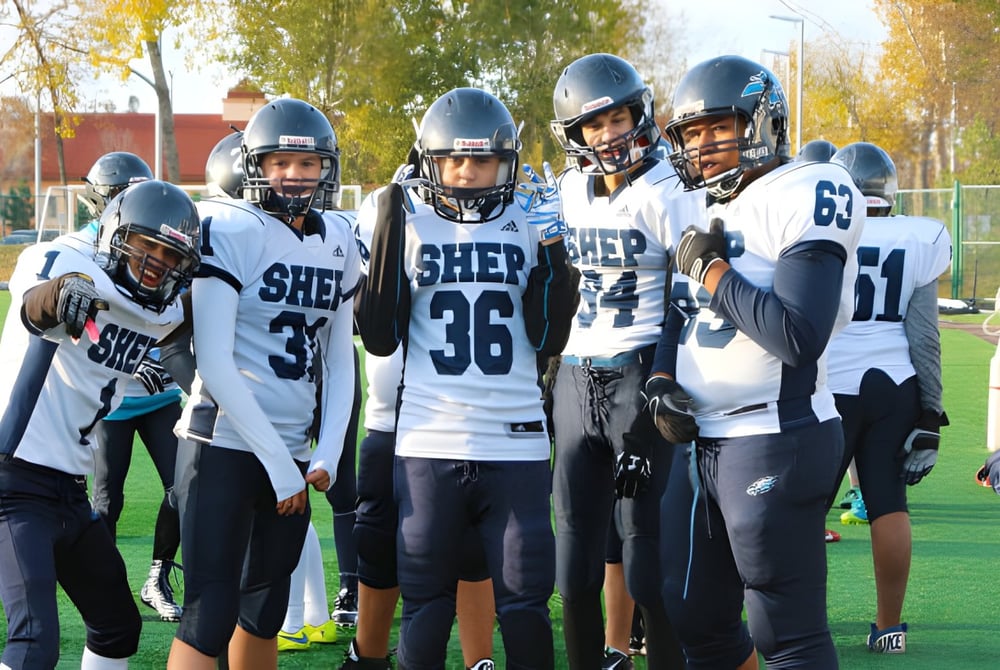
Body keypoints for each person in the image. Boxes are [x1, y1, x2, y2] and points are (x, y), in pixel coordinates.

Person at [646, 54, 864, 669]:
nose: (703, 146)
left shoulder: (806, 190)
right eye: (691, 133)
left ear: (765, 123)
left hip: (776, 434)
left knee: (785, 633)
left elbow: (798, 335)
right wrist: (661, 378)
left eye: (719, 127)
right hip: (702, 443)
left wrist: (713, 271)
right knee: (693, 616)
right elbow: (680, 310)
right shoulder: (700, 203)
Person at [358, 86, 579, 669]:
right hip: (429, 439)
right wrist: (388, 228)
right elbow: (379, 336)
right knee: (426, 604)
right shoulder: (411, 221)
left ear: (506, 162)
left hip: (516, 442)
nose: (467, 172)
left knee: (526, 605)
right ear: (430, 161)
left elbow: (550, 336)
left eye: (483, 159)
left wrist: (554, 250)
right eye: (454, 158)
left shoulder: (529, 220)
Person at [166, 97, 361, 669]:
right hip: (222, 445)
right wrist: (280, 467)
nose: (294, 175)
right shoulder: (230, 227)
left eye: (307, 163)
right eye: (280, 162)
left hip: (294, 449)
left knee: (265, 610)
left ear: (326, 168)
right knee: (208, 613)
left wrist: (327, 451)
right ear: (255, 165)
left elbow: (340, 357)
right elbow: (213, 361)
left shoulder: (339, 236)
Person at [0, 179, 201, 669]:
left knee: (117, 626)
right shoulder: (70, 264)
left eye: (171, 255)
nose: (157, 263)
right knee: (33, 642)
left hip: (69, 487)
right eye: (146, 245)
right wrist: (61, 291)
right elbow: (33, 301)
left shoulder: (164, 308)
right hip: (13, 480)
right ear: (115, 235)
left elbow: (186, 329)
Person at [547, 52, 689, 670]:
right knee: (573, 564)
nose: (609, 134)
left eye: (618, 118)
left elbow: (684, 299)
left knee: (645, 555)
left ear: (640, 115)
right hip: (576, 378)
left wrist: (662, 377)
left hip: (638, 375)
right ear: (575, 134)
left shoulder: (670, 190)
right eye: (594, 124)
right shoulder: (567, 190)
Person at [341, 153, 497, 670]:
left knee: (472, 549)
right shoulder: (388, 204)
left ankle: (479, 661)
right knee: (378, 543)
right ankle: (368, 655)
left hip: (461, 420)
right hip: (391, 419)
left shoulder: (495, 213)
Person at [826, 141, 951, 653]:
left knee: (805, 511)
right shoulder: (918, 236)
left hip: (828, 386)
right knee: (888, 504)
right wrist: (931, 412)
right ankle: (889, 628)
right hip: (895, 384)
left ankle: (800, 625)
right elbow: (924, 335)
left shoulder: (822, 231)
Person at [75, 151, 189, 622]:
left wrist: (169, 362)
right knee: (107, 500)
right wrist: (132, 361)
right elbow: (83, 326)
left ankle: (156, 578)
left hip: (160, 394)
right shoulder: (83, 248)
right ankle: (105, 595)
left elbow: (178, 308)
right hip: (113, 400)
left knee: (183, 485)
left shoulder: (158, 242)